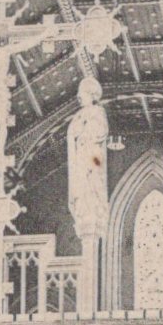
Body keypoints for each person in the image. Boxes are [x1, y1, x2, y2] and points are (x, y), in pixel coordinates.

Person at [66, 76, 110, 238]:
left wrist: (86, 131)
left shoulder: (98, 111)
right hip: (80, 156)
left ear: (92, 95)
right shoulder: (78, 115)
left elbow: (101, 131)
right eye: (79, 94)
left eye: (82, 94)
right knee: (82, 187)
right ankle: (83, 207)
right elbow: (72, 133)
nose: (79, 97)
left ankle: (92, 207)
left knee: (92, 184)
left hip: (92, 156)